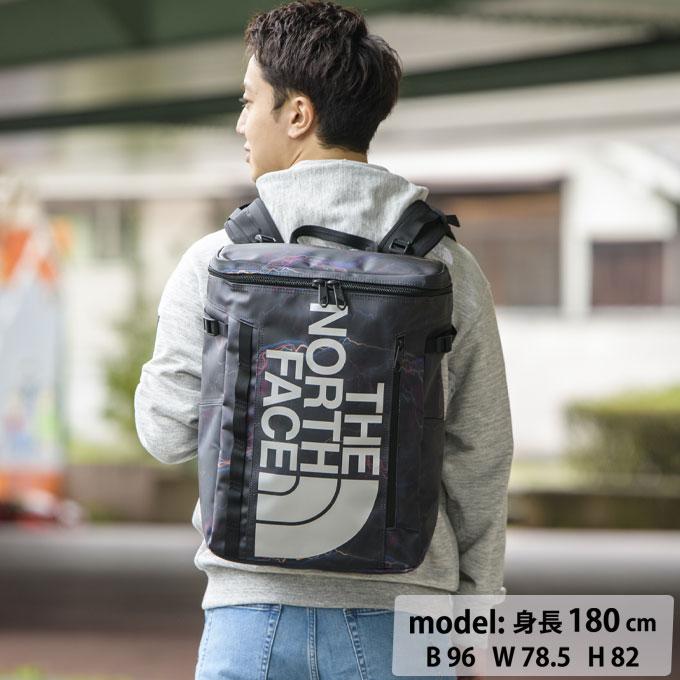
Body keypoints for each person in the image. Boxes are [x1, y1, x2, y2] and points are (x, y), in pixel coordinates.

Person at [134, 1, 514, 678]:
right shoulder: (446, 266)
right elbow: (479, 453)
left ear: (298, 114)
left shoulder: (217, 261)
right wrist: (477, 611)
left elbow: (165, 432)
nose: (240, 122)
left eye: (249, 100)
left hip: (250, 617)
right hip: (406, 614)